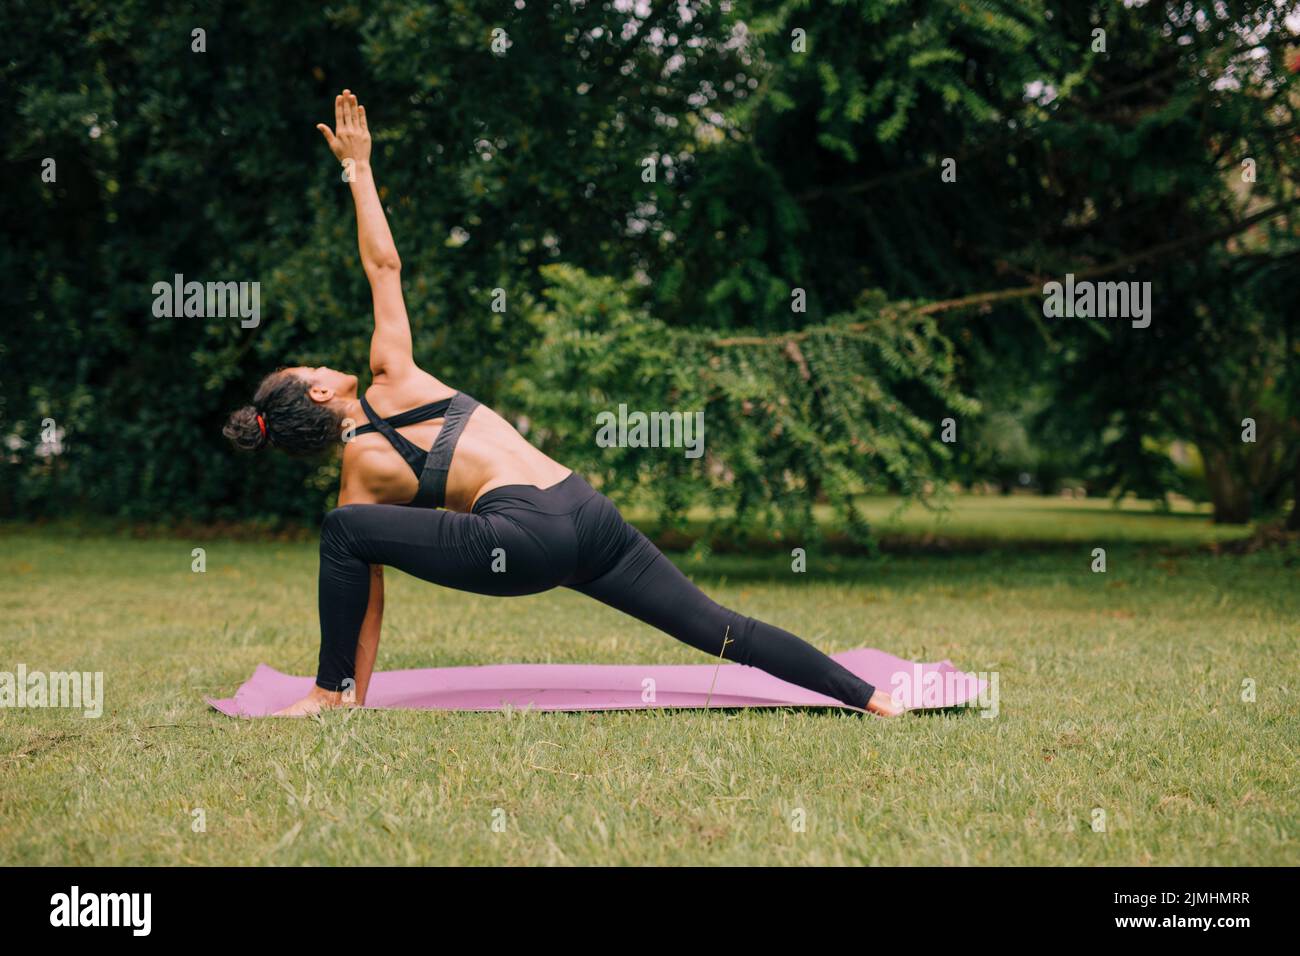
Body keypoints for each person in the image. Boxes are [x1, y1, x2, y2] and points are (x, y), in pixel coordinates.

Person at [223, 91, 902, 719]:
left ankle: (328, 696)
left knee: (343, 530)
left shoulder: (359, 484)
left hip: (526, 543)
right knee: (717, 626)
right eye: (310, 366)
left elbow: (363, 594)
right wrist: (360, 171)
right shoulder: (391, 376)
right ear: (319, 391)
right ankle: (871, 700)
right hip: (584, 510)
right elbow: (384, 267)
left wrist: (345, 692)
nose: (321, 361)